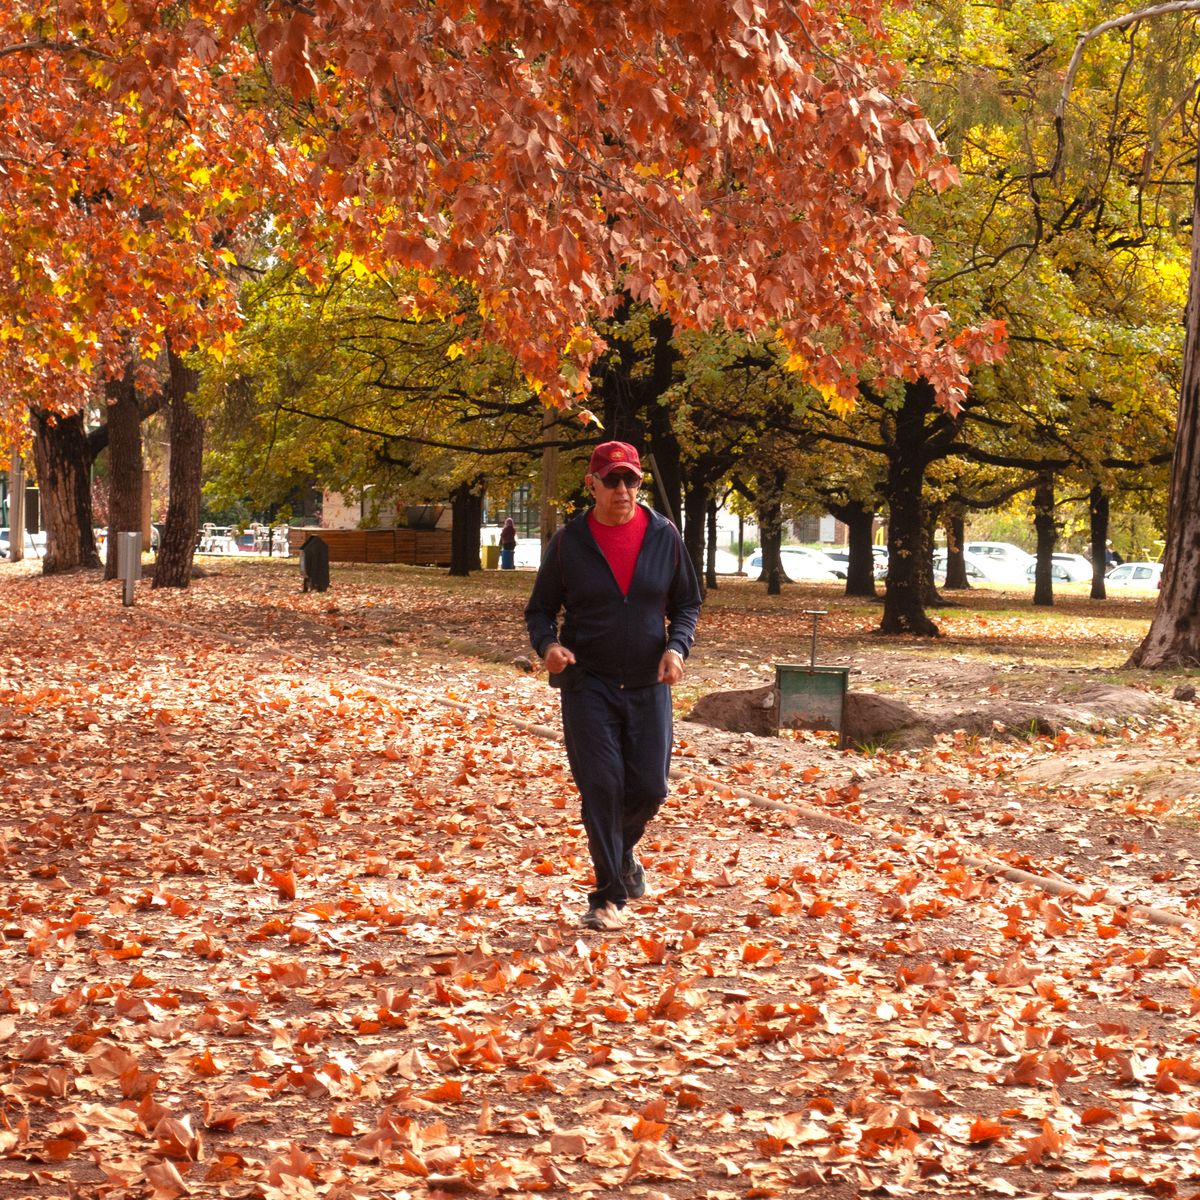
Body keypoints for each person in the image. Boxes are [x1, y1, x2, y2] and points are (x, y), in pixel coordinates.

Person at [524, 441, 702, 931]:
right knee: (601, 786)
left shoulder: (664, 536)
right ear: (592, 484)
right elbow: (540, 610)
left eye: (631, 480)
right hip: (589, 683)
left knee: (648, 788)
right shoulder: (569, 542)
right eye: (612, 480)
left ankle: (621, 856)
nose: (622, 490)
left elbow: (687, 603)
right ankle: (608, 896)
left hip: (649, 682)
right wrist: (548, 647)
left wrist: (677, 648)